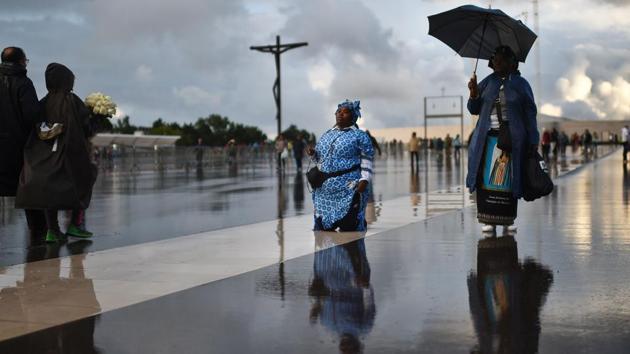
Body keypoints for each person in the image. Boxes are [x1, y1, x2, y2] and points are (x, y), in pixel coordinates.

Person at [16, 63, 97, 242]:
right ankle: (76, 224)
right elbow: (87, 128)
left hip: (45, 157)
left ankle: (52, 230)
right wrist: (97, 118)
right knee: (85, 178)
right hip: (69, 155)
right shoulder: (72, 101)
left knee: (49, 190)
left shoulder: (42, 102)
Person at [467, 45, 539, 234]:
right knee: (486, 179)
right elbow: (473, 108)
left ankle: (507, 219)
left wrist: (533, 139)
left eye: (501, 59)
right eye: (495, 59)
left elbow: (530, 113)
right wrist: (473, 93)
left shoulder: (522, 84)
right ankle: (487, 219)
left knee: (508, 180)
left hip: (511, 141)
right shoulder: (487, 82)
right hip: (487, 139)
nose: (497, 62)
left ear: (511, 62)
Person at [307, 100, 375, 231]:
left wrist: (365, 179)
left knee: (349, 225)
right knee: (323, 228)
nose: (340, 114)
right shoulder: (327, 134)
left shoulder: (359, 135)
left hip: (347, 187)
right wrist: (313, 154)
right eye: (338, 112)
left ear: (353, 116)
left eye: (345, 112)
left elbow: (367, 159)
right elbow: (319, 160)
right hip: (324, 190)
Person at [0, 47, 46, 235]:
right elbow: (31, 115)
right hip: (18, 147)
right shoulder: (23, 83)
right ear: (20, 61)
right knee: (30, 190)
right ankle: (38, 232)